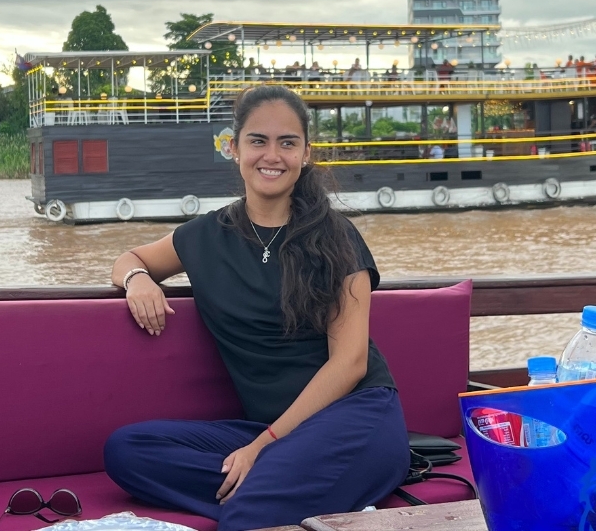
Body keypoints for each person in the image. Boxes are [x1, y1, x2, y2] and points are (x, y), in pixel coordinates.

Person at [103, 85, 407, 531]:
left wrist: (263, 445)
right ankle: (289, 489)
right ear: (234, 148)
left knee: (248, 518)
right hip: (273, 432)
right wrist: (138, 280)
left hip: (354, 418)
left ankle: (273, 491)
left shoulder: (337, 239)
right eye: (258, 140)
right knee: (128, 451)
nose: (273, 155)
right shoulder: (206, 236)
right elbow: (131, 259)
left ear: (306, 153)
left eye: (288, 142)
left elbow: (350, 365)